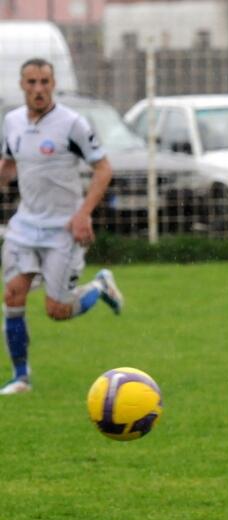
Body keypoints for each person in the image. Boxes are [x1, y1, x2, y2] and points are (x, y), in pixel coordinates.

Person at [0, 58, 123, 395]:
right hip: (25, 226)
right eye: (32, 82)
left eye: (44, 82)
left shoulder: (72, 124)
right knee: (13, 294)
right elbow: (9, 165)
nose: (38, 89)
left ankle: (100, 286)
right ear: (22, 86)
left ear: (53, 85)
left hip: (62, 230)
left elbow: (103, 169)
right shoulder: (11, 121)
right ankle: (21, 377)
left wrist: (83, 214)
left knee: (57, 310)